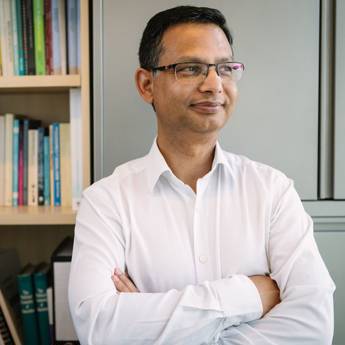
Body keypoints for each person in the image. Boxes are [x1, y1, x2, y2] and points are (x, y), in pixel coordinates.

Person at [69, 6, 335, 345]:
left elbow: (314, 328)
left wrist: (149, 321)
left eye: (225, 68)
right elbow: (98, 328)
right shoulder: (106, 202)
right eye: (191, 68)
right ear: (147, 84)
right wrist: (252, 295)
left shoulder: (273, 192)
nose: (214, 85)